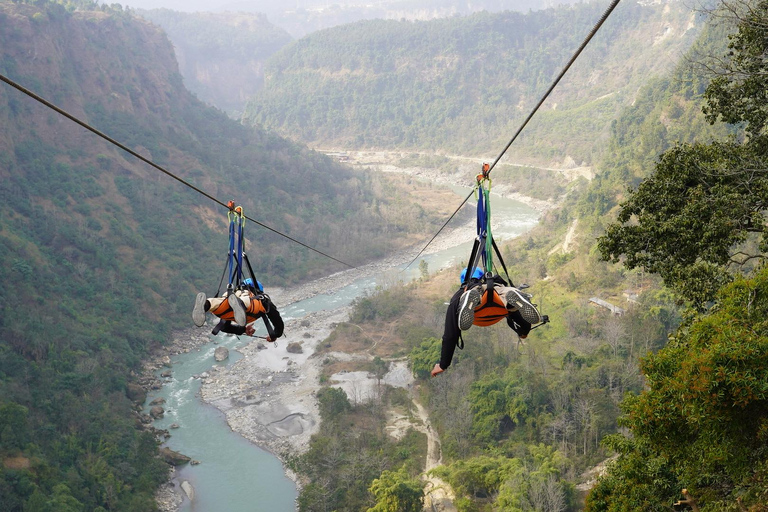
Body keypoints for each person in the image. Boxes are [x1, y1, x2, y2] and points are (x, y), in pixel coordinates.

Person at [431, 268, 544, 377]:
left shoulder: (456, 297)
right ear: (482, 277)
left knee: (472, 296)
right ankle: (514, 293)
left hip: (479, 314)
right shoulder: (493, 284)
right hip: (498, 307)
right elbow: (520, 318)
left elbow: (450, 335)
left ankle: (470, 299)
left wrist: (443, 364)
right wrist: (524, 330)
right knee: (504, 292)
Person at [192, 278, 284, 341]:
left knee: (218, 304)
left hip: (229, 305)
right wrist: (275, 334)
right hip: (247, 306)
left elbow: (224, 326)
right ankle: (240, 305)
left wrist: (243, 330)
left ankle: (206, 305)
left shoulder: (235, 294)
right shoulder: (260, 298)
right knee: (246, 301)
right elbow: (277, 320)